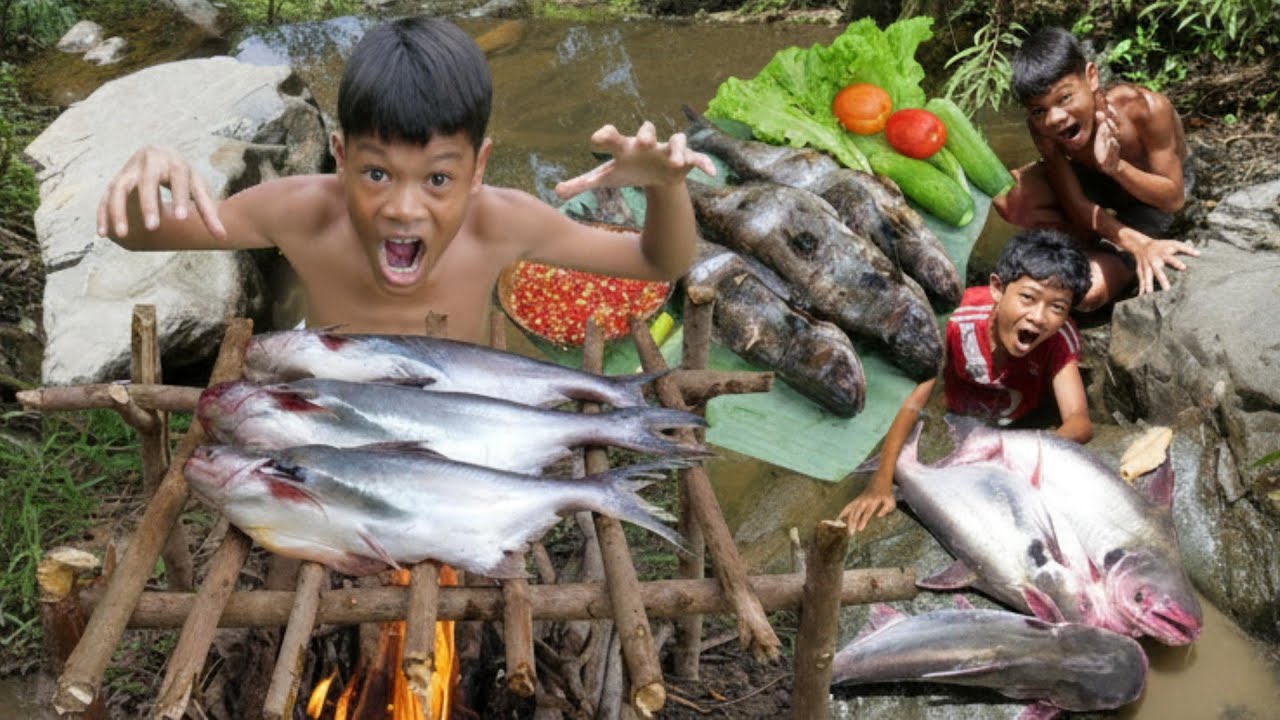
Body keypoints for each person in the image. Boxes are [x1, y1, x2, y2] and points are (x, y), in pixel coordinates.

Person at [97, 16, 714, 343]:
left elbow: (658, 263)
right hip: (339, 403)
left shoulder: (504, 221)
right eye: (375, 172)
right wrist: (145, 170)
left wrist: (665, 187)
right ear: (338, 156)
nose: (402, 207)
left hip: (453, 409)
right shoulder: (300, 212)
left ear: (479, 168)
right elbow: (136, 236)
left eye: (438, 179)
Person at [837, 228, 1093, 532]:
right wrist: (880, 482)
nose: (1039, 317)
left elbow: (1079, 422)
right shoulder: (959, 319)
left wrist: (1020, 455)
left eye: (1057, 308)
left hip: (1015, 427)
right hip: (954, 416)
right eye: (1028, 298)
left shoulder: (1058, 339)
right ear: (998, 288)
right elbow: (913, 401)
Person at [993, 26, 1198, 310]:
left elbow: (1173, 199)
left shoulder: (1146, 109)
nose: (1055, 118)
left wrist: (1116, 167)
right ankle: (1087, 243)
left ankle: (1115, 255)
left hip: (1153, 199)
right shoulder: (1043, 127)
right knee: (1010, 196)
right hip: (1097, 186)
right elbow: (1076, 203)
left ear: (1091, 77)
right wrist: (1129, 239)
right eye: (1039, 110)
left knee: (1085, 293)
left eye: (1065, 98)